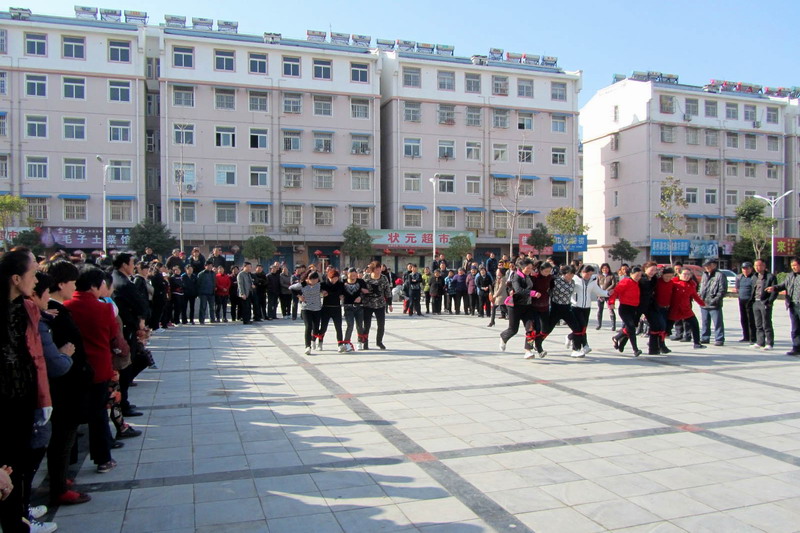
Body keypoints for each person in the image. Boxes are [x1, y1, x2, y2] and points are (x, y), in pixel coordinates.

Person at [0, 249, 44, 532]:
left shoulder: (22, 309)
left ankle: (20, 516)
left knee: (18, 468)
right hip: (5, 410)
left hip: (22, 405)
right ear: (16, 278)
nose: (36, 281)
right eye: (33, 274)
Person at [42, 261, 92, 506]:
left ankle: (59, 477)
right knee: (62, 436)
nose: (75, 287)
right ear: (61, 284)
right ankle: (58, 486)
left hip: (68, 380)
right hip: (64, 384)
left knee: (65, 436)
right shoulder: (53, 313)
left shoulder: (56, 311)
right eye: (72, 282)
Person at [64, 267, 118, 474]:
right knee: (98, 414)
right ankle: (103, 459)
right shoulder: (104, 309)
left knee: (69, 417)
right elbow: (113, 334)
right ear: (94, 286)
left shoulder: (66, 307)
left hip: (71, 368)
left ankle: (68, 462)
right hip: (98, 367)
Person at [111, 253, 149, 418]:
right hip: (126, 329)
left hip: (125, 326)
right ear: (124, 265)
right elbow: (140, 304)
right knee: (126, 366)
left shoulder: (115, 278)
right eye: (133, 263)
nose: (135, 266)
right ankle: (122, 404)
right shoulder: (123, 283)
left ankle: (123, 401)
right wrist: (141, 320)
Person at [499, 258, 542, 359]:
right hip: (515, 306)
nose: (530, 270)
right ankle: (503, 337)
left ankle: (528, 350)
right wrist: (533, 293)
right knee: (513, 329)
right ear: (522, 267)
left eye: (531, 268)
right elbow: (518, 290)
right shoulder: (516, 276)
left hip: (527, 306)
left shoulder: (529, 276)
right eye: (528, 268)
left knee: (531, 329)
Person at [570, 265, 609, 357]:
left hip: (587, 307)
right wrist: (571, 300)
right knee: (579, 328)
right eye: (587, 274)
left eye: (591, 274)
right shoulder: (574, 279)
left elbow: (597, 291)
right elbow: (569, 290)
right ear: (581, 272)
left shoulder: (592, 280)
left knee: (583, 328)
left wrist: (607, 293)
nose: (588, 276)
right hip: (576, 306)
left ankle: (578, 343)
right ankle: (576, 349)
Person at [767, 256, 800, 355]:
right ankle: (796, 348)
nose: (793, 267)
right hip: (792, 305)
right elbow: (783, 285)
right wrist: (774, 288)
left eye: (795, 265)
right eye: (792, 265)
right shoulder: (790, 276)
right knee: (795, 328)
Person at [667, 268, 706, 349]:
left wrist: (703, 304)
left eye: (689, 274)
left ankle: (697, 343)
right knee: (667, 328)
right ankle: (656, 343)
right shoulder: (673, 283)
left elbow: (695, 296)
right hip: (674, 310)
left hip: (686, 310)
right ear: (679, 274)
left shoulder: (691, 285)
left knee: (695, 324)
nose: (687, 276)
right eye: (685, 274)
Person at [609, 266, 643, 357]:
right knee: (631, 327)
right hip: (625, 308)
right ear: (631, 274)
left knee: (629, 328)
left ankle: (619, 341)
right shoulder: (626, 281)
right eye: (637, 275)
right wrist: (611, 302)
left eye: (640, 275)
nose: (638, 277)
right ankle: (635, 349)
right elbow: (615, 291)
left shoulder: (638, 283)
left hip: (634, 309)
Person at [290, 271, 325, 355]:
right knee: (308, 326)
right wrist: (299, 296)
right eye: (311, 279)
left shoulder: (320, 285)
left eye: (315, 279)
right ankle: (307, 346)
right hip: (306, 308)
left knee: (316, 327)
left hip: (317, 309)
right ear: (307, 279)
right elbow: (291, 288)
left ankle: (313, 340)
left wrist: (324, 292)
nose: (313, 281)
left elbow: (326, 289)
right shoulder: (302, 284)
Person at [362, 262, 392, 350]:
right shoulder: (366, 277)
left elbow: (387, 291)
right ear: (372, 270)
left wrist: (390, 304)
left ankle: (379, 342)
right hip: (368, 304)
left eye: (379, 269)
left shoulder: (384, 278)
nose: (378, 271)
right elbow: (361, 289)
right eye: (376, 269)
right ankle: (365, 342)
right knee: (366, 325)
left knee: (381, 324)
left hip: (380, 304)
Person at [699, 259, 727, 346]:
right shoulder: (704, 274)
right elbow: (701, 287)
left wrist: (715, 300)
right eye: (705, 266)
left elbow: (722, 290)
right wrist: (700, 297)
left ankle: (719, 339)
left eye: (709, 265)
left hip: (714, 303)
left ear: (714, 265)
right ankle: (705, 337)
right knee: (705, 322)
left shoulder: (720, 275)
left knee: (717, 322)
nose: (707, 267)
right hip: (703, 303)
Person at [752, 259, 777, 350]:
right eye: (755, 266)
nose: (757, 267)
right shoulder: (754, 276)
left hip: (765, 302)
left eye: (759, 265)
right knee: (758, 324)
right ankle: (760, 342)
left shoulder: (770, 277)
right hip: (756, 301)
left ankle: (769, 343)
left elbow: (774, 291)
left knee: (766, 323)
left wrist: (769, 302)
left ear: (764, 266)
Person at [318, 269, 345, 351]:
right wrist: (322, 292)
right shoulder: (323, 284)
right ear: (328, 277)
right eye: (332, 278)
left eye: (336, 278)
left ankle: (340, 344)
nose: (334, 280)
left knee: (338, 327)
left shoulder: (340, 284)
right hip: (326, 308)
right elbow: (318, 291)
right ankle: (320, 342)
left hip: (336, 308)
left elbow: (343, 292)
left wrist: (342, 296)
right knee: (323, 327)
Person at [342, 268, 367, 351]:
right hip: (348, 307)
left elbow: (366, 292)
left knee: (359, 325)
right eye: (351, 275)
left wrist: (361, 297)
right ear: (347, 274)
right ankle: (346, 343)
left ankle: (359, 342)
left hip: (359, 307)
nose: (353, 276)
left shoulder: (361, 282)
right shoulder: (343, 282)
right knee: (350, 325)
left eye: (354, 275)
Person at [735, 262, 756, 344]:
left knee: (751, 320)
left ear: (751, 269)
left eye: (747, 268)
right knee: (743, 319)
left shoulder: (754, 277)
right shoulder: (740, 277)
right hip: (741, 300)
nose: (745, 270)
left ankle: (753, 337)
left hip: (750, 301)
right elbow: (737, 288)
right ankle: (746, 336)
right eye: (743, 269)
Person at [596, 263, 617, 330]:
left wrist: (606, 291)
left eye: (606, 268)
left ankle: (613, 325)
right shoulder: (599, 276)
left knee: (611, 309)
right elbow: (596, 284)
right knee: (600, 309)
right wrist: (600, 292)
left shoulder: (611, 276)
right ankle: (599, 324)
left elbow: (613, 284)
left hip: (609, 295)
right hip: (601, 295)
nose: (605, 269)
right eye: (603, 268)